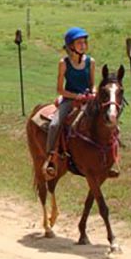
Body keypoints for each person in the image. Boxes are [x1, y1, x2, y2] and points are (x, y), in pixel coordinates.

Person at [42, 27, 103, 178]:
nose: (83, 45)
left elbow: (92, 83)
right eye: (79, 43)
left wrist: (93, 92)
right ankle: (50, 157)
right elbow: (59, 89)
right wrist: (76, 96)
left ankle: (111, 156)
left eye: (84, 42)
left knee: (107, 118)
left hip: (88, 99)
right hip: (69, 99)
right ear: (71, 46)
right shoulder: (64, 63)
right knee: (55, 124)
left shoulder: (91, 62)